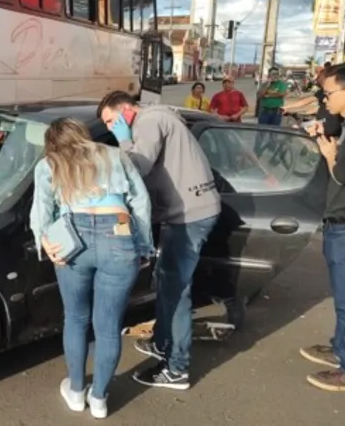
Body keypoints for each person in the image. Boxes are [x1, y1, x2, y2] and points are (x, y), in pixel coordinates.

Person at [96, 91, 221, 390]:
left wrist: (124, 141)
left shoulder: (149, 122)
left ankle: (177, 367)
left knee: (176, 290)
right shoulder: (159, 117)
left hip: (189, 216)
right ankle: (163, 342)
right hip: (186, 212)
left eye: (112, 121)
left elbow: (137, 167)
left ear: (126, 109)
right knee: (166, 283)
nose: (113, 128)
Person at [30, 118, 153, 419]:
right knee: (108, 325)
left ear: (52, 143)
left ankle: (75, 391)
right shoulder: (115, 155)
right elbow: (141, 202)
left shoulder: (49, 164)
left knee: (75, 318)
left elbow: (41, 212)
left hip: (74, 239)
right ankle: (99, 398)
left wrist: (44, 242)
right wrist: (144, 246)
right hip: (120, 234)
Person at [299, 61, 345, 392]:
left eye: (329, 92)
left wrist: (328, 150)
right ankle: (342, 349)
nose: (326, 99)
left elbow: (341, 173)